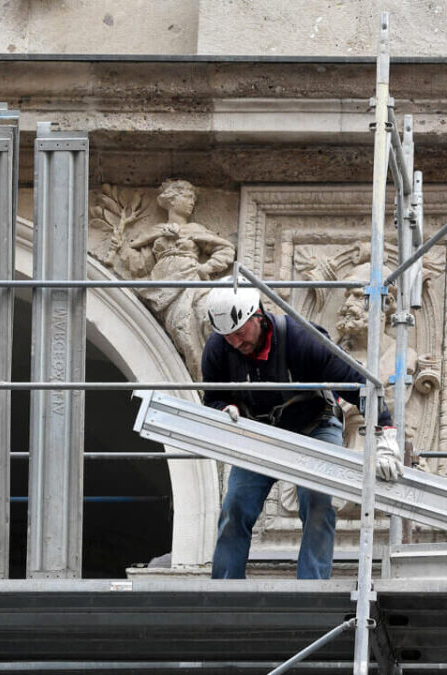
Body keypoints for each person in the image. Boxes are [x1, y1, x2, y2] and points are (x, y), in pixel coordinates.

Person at [201, 285, 405, 579]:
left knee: (318, 500)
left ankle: (313, 583)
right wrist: (223, 409)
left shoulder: (301, 339)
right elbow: (213, 397)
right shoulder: (218, 347)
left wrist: (385, 432)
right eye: (227, 336)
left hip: (315, 427)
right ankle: (224, 588)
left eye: (239, 332)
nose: (234, 342)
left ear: (258, 316)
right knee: (235, 506)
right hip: (260, 432)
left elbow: (359, 385)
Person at [119, 179, 236, 379]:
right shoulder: (155, 232)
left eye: (194, 198)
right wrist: (123, 240)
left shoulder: (195, 230)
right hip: (163, 289)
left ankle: (217, 376)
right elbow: (137, 263)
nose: (192, 202)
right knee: (184, 334)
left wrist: (205, 267)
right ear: (173, 200)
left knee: (207, 320)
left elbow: (226, 249)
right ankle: (203, 384)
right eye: (188, 197)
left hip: (191, 281)